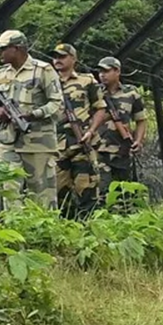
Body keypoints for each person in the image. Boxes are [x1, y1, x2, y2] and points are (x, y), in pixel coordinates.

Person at [0, 30, 62, 208]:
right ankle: (14, 224)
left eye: (4, 49)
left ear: (17, 48)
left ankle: (44, 226)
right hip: (8, 142)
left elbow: (57, 103)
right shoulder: (1, 74)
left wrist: (33, 114)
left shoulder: (42, 70)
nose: (0, 53)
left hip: (38, 143)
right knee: (10, 192)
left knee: (42, 193)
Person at [50, 43, 107, 218]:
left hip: (82, 144)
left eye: (62, 57)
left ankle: (88, 227)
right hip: (56, 147)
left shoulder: (87, 81)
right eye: (55, 57)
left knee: (86, 191)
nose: (57, 60)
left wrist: (91, 130)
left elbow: (100, 108)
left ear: (73, 59)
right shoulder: (48, 82)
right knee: (59, 194)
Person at [94, 56, 148, 192]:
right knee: (103, 191)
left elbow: (141, 120)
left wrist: (138, 141)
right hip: (99, 151)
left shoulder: (131, 93)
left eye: (106, 71)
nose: (102, 75)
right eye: (100, 71)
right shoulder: (95, 93)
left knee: (124, 192)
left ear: (117, 71)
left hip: (123, 151)